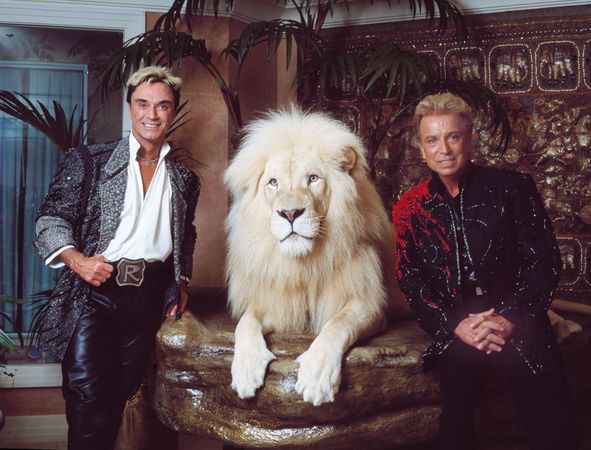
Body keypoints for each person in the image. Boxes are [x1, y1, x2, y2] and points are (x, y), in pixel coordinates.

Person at [392, 92, 577, 450]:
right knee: (455, 424)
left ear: (469, 138)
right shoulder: (410, 208)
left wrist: (509, 319)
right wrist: (455, 325)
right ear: (421, 148)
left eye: (453, 137)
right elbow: (411, 280)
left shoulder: (512, 188)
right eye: (432, 140)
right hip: (461, 328)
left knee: (554, 423)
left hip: (518, 320)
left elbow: (544, 262)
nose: (443, 149)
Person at [34, 66, 200, 450]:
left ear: (173, 112)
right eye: (142, 104)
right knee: (88, 400)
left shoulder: (185, 179)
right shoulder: (91, 160)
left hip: (148, 298)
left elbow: (185, 235)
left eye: (162, 106)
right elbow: (50, 219)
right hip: (94, 294)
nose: (151, 115)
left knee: (121, 394)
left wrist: (182, 281)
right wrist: (77, 260)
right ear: (129, 107)